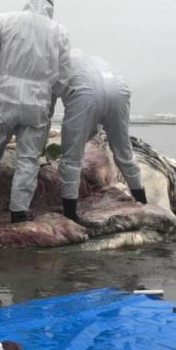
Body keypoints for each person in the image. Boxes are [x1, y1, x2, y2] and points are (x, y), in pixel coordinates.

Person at [0, 0, 72, 223]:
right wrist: (52, 99)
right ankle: (18, 212)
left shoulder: (5, 19)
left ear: (28, 3)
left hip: (5, 96)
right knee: (28, 159)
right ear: (50, 9)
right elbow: (64, 75)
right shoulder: (59, 32)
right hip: (38, 102)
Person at [56, 51, 146, 223]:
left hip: (85, 94)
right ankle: (142, 200)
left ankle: (70, 215)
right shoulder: (94, 58)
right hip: (119, 91)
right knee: (123, 150)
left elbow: (48, 104)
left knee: (71, 158)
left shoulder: (58, 64)